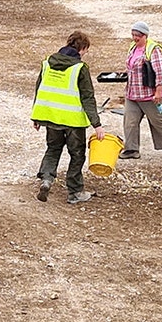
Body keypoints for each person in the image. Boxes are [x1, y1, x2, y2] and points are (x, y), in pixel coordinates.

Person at [31, 31, 105, 204]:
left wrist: (36, 116)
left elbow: (39, 89)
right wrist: (97, 124)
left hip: (50, 117)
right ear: (82, 48)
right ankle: (75, 192)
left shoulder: (48, 63)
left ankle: (47, 180)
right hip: (73, 121)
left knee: (53, 149)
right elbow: (88, 97)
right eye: (86, 50)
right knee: (77, 155)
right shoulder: (80, 68)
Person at [120, 22, 162, 161]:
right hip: (132, 93)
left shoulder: (153, 49)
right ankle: (131, 149)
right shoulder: (133, 47)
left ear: (145, 35)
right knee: (130, 122)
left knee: (157, 122)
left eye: (138, 35)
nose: (135, 38)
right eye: (133, 35)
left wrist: (158, 92)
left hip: (149, 96)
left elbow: (160, 72)